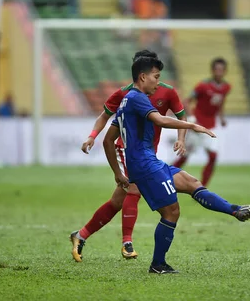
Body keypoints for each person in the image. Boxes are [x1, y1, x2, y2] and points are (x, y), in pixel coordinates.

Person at [102, 55, 250, 274]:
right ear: (142, 76)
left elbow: (107, 140)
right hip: (145, 166)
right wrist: (191, 125)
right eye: (155, 77)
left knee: (191, 182)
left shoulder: (126, 101)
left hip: (148, 163)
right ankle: (158, 264)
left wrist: (118, 173)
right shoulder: (138, 98)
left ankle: (236, 210)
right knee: (171, 212)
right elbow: (160, 120)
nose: (158, 82)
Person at [71, 50, 187, 262]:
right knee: (133, 189)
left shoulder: (167, 92)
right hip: (126, 149)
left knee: (118, 200)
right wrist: (92, 136)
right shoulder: (124, 93)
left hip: (147, 153)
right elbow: (104, 116)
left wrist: (182, 138)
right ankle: (127, 242)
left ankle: (80, 235)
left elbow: (180, 115)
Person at [172, 58, 231, 186]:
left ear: (225, 71)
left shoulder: (226, 87)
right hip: (196, 127)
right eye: (217, 69)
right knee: (184, 156)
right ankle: (165, 179)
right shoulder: (203, 86)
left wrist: (221, 118)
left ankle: (202, 188)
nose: (219, 72)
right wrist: (192, 117)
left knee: (213, 156)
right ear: (212, 70)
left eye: (221, 70)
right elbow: (186, 102)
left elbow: (220, 103)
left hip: (210, 127)